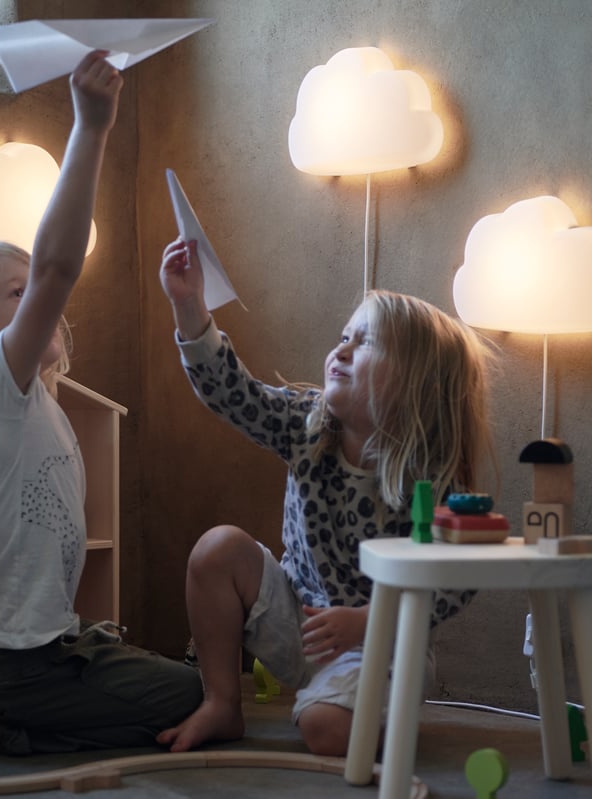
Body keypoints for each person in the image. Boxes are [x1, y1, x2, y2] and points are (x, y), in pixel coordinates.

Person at [157, 236, 496, 756]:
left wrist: (367, 622)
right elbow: (232, 393)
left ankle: (362, 705)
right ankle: (222, 702)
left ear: (419, 387)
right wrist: (188, 304)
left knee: (326, 733)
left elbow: (451, 584)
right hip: (301, 620)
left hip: (382, 643)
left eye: (366, 343)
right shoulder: (307, 424)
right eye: (344, 336)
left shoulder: (431, 479)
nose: (341, 349)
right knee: (217, 550)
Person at [0, 52, 203, 755]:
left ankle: (27, 726)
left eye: (35, 291)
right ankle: (21, 722)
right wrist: (91, 126)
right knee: (191, 696)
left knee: (185, 691)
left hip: (53, 647)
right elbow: (58, 265)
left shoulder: (42, 403)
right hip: (12, 661)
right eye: (17, 296)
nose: (44, 302)